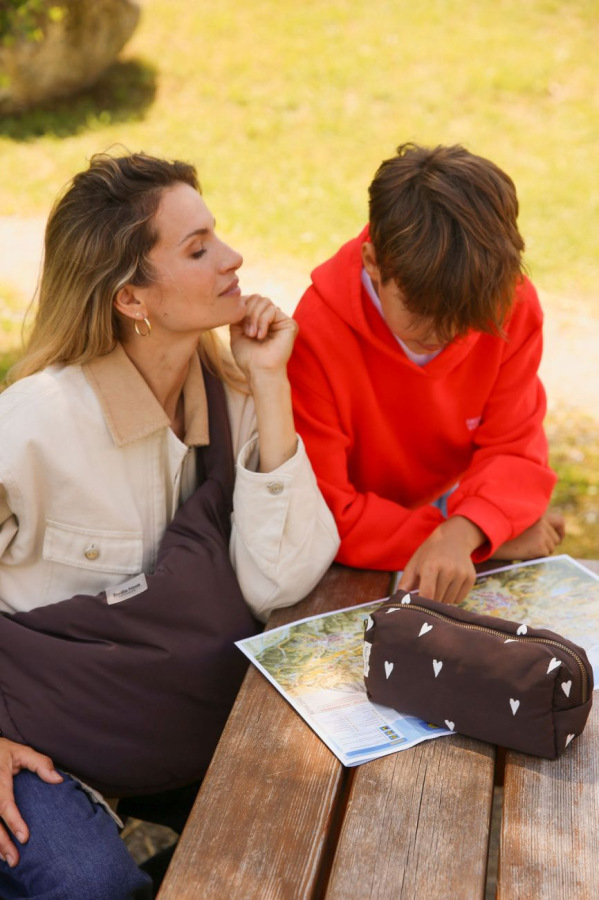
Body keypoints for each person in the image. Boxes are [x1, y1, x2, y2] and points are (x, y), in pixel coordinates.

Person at [0, 150, 339, 899]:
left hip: (168, 721)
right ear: (131, 298)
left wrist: (270, 381)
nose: (233, 257)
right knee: (88, 883)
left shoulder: (232, 392)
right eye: (197, 249)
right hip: (34, 737)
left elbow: (281, 579)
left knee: (313, 830)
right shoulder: (33, 427)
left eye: (217, 236)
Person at [288, 142, 564, 610]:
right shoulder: (315, 332)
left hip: (451, 504)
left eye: (467, 318)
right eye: (422, 313)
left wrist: (466, 531)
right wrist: (485, 537)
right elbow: (324, 512)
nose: (446, 335)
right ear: (373, 263)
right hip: (355, 541)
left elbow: (514, 450)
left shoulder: (510, 301)